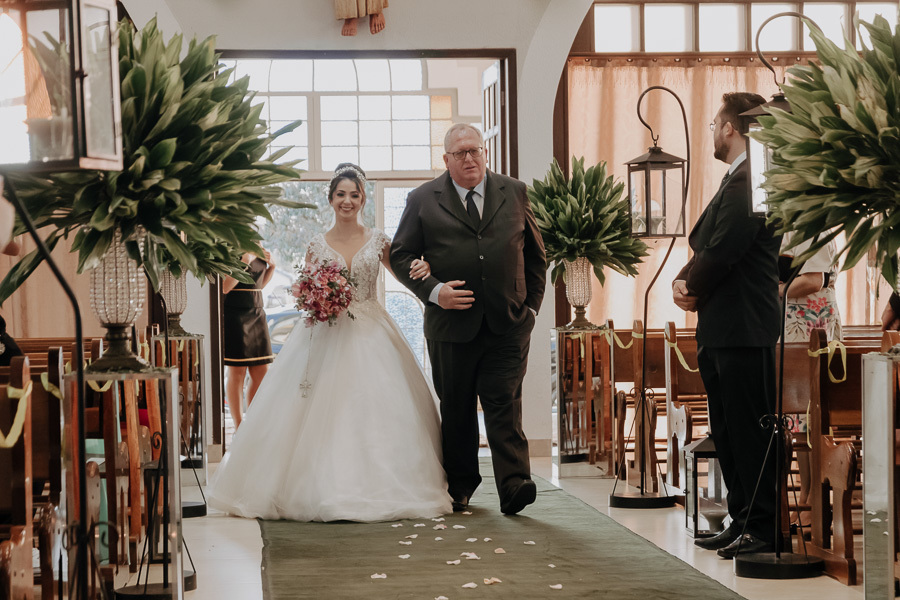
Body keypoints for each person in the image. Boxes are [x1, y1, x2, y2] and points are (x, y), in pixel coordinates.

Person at [209, 163, 451, 522]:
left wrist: (427, 274)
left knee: (376, 405)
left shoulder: (379, 240)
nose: (348, 201)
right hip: (325, 330)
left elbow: (402, 273)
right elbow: (305, 288)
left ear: (363, 198)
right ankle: (316, 485)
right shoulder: (316, 244)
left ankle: (380, 484)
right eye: (341, 194)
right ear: (330, 199)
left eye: (354, 194)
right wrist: (314, 298)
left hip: (372, 328)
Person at [390, 123, 547, 516]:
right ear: (446, 160)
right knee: (457, 408)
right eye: (459, 153)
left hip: (508, 324)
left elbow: (536, 256)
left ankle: (514, 484)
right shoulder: (423, 199)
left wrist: (530, 310)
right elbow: (400, 254)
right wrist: (434, 291)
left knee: (504, 402)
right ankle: (460, 486)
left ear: (485, 153)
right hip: (450, 328)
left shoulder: (514, 192)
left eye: (475, 150)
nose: (469, 158)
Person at [673, 93, 781, 558]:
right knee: (729, 430)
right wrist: (682, 278)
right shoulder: (736, 179)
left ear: (732, 128)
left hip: (743, 325)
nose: (713, 131)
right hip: (723, 326)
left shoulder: (751, 181)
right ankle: (741, 521)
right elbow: (710, 245)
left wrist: (690, 286)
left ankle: (763, 527)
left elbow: (725, 249)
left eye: (716, 122)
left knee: (749, 431)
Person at [222, 250, 276, 430]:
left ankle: (252, 423)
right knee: (237, 372)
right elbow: (226, 287)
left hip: (257, 311)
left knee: (262, 371)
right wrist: (244, 260)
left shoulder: (260, 248)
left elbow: (259, 286)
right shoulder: (231, 251)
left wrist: (272, 267)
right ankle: (239, 427)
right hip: (236, 313)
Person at [779, 233, 842, 343]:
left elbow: (813, 281)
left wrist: (773, 290)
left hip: (804, 317)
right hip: (795, 313)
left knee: (802, 359)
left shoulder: (807, 229)